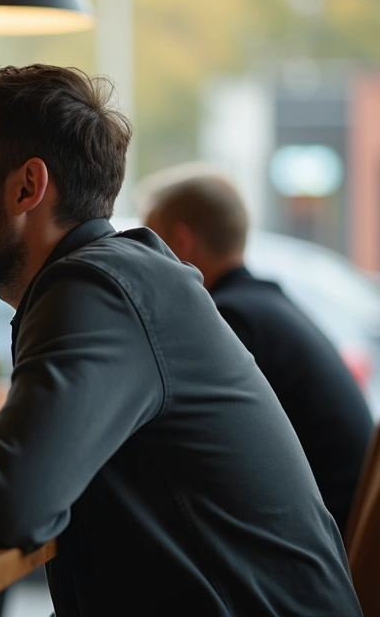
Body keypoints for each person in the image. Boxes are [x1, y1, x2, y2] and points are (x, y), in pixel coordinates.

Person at [0, 64, 362, 615]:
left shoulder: (95, 289)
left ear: (27, 186)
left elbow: (12, 505)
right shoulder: (113, 278)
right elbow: (30, 483)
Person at [141, 164, 374, 536]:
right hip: (337, 534)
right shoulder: (265, 306)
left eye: (148, 242)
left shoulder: (231, 321)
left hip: (316, 548)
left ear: (180, 242)